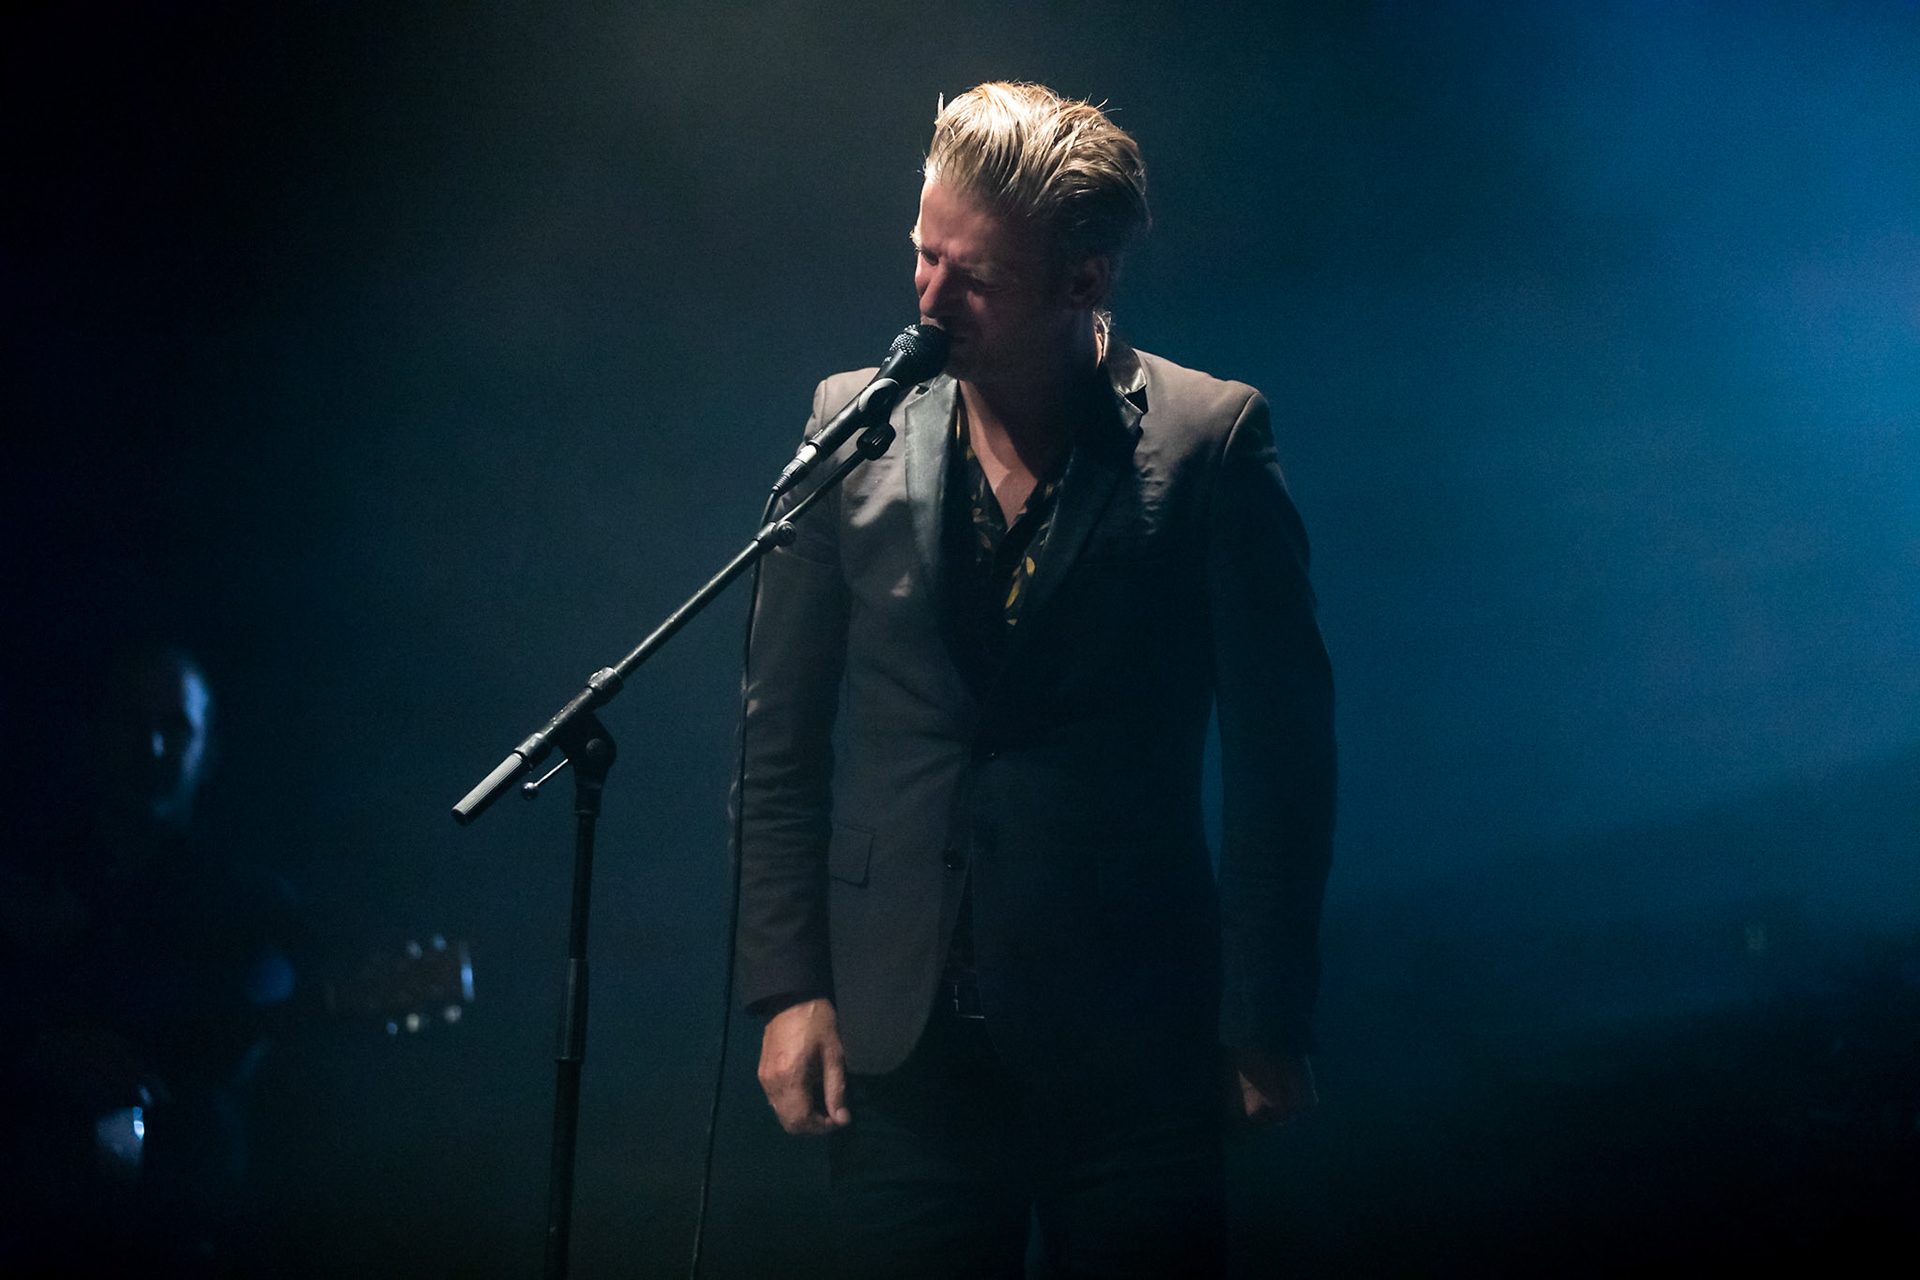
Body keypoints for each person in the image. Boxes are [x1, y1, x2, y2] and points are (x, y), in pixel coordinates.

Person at [736, 82, 1336, 1278]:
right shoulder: (844, 426)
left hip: (1134, 1047)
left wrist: (1265, 1015)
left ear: (1086, 281)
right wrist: (787, 984)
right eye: (922, 253)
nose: (929, 295)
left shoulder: (1213, 439)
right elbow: (778, 738)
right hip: (901, 1046)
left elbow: (1286, 754)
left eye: (976, 277)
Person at [0, 642, 315, 1275]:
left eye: (175, 729)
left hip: (186, 1236)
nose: (151, 749)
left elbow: (261, 1038)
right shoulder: (23, 878)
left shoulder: (252, 903)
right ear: (89, 736)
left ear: (208, 754)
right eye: (130, 722)